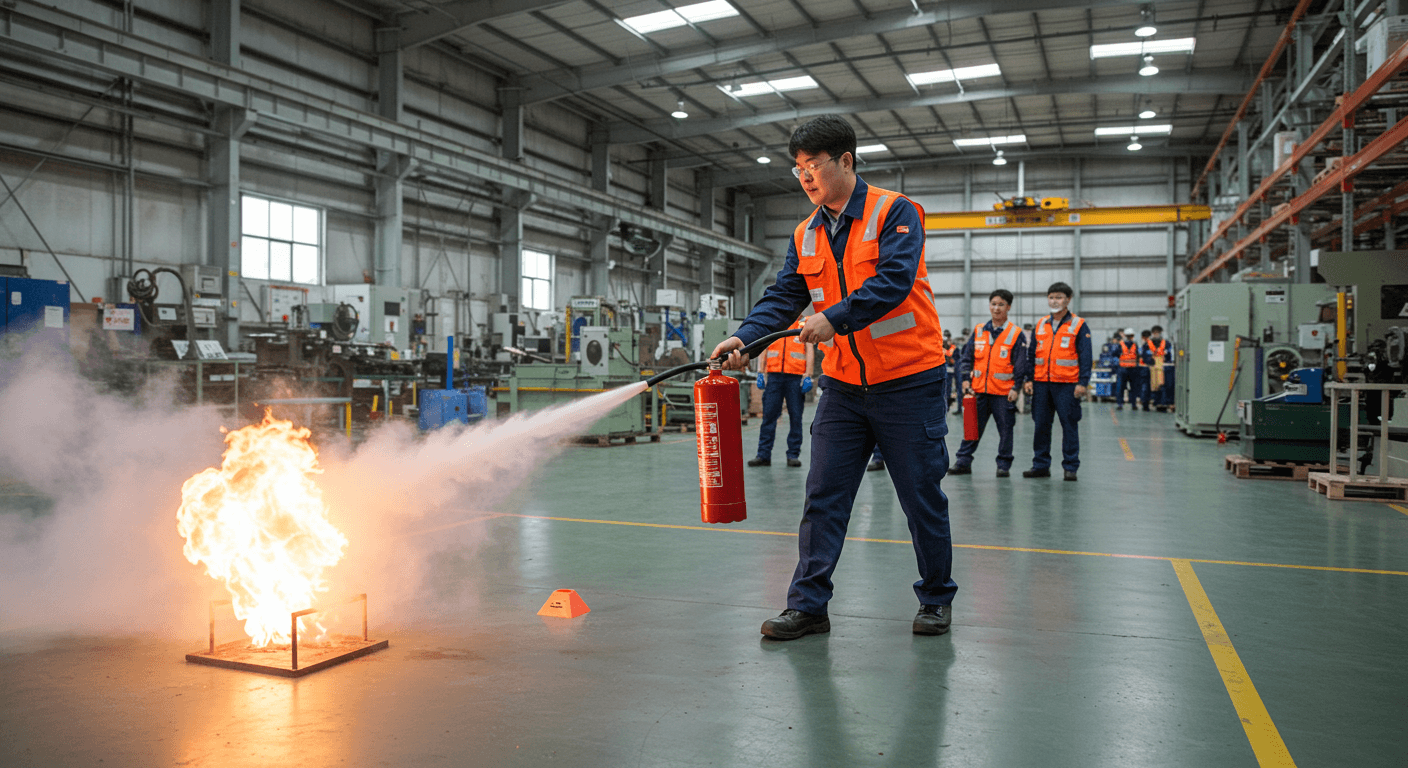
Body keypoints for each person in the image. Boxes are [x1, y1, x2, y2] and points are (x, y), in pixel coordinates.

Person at [711, 114, 956, 640]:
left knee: (921, 497)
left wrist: (835, 318)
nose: (804, 176)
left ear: (845, 161)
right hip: (843, 387)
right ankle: (808, 606)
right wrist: (745, 337)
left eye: (813, 165)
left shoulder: (895, 211)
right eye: (797, 168)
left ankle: (936, 598)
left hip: (909, 381)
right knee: (823, 495)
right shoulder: (806, 232)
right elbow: (785, 295)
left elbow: (893, 281)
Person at [950, 289, 1027, 478]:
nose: (996, 308)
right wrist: (965, 380)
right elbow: (967, 358)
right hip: (978, 391)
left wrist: (1016, 388)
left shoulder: (1016, 334)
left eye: (1001, 304)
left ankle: (1003, 465)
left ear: (1008, 307)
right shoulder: (979, 331)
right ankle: (963, 462)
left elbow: (1020, 365)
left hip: (1003, 393)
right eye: (993, 304)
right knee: (971, 428)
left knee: (1006, 430)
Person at [1021, 282, 1091, 481]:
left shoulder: (1078, 325)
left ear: (1068, 299)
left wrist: (1082, 383)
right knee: (1041, 425)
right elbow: (1032, 355)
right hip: (1041, 383)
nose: (1054, 301)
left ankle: (1070, 467)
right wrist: (1029, 379)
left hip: (1067, 385)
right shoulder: (1041, 324)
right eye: (1051, 297)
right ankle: (1041, 465)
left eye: (1059, 297)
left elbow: (1086, 356)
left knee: (1069, 425)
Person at [750, 317, 815, 468]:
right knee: (769, 416)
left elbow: (809, 350)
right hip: (774, 376)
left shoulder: (804, 324)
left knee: (796, 417)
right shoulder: (774, 322)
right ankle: (763, 455)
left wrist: (808, 375)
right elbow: (764, 347)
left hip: (795, 377)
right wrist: (760, 371)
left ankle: (793, 455)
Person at [1144, 325, 1172, 412]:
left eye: (1158, 333)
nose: (1156, 334)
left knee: (1162, 385)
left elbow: (1169, 355)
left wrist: (1166, 360)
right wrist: (1149, 360)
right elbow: (1144, 355)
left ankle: (1162, 403)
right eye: (1154, 333)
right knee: (1151, 386)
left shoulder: (1166, 343)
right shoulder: (1147, 344)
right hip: (1151, 368)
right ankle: (1153, 402)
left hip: (1163, 368)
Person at [1113, 328, 1139, 410]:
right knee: (1133, 387)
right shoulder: (1135, 345)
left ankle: (1120, 404)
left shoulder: (1120, 344)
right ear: (1132, 336)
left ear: (1125, 335)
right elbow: (1138, 356)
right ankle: (1133, 404)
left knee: (1120, 387)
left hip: (1123, 369)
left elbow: (1115, 354)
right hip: (1132, 369)